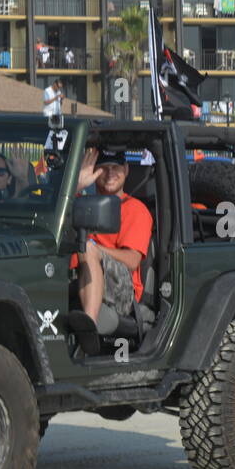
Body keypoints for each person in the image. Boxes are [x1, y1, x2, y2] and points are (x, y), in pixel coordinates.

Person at [67, 147, 153, 348]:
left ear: (126, 169)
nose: (110, 173)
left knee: (87, 249)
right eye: (103, 168)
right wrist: (76, 185)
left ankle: (88, 326)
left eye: (116, 167)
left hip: (121, 289)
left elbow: (132, 261)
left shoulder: (135, 209)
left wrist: (95, 250)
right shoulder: (78, 202)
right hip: (74, 275)